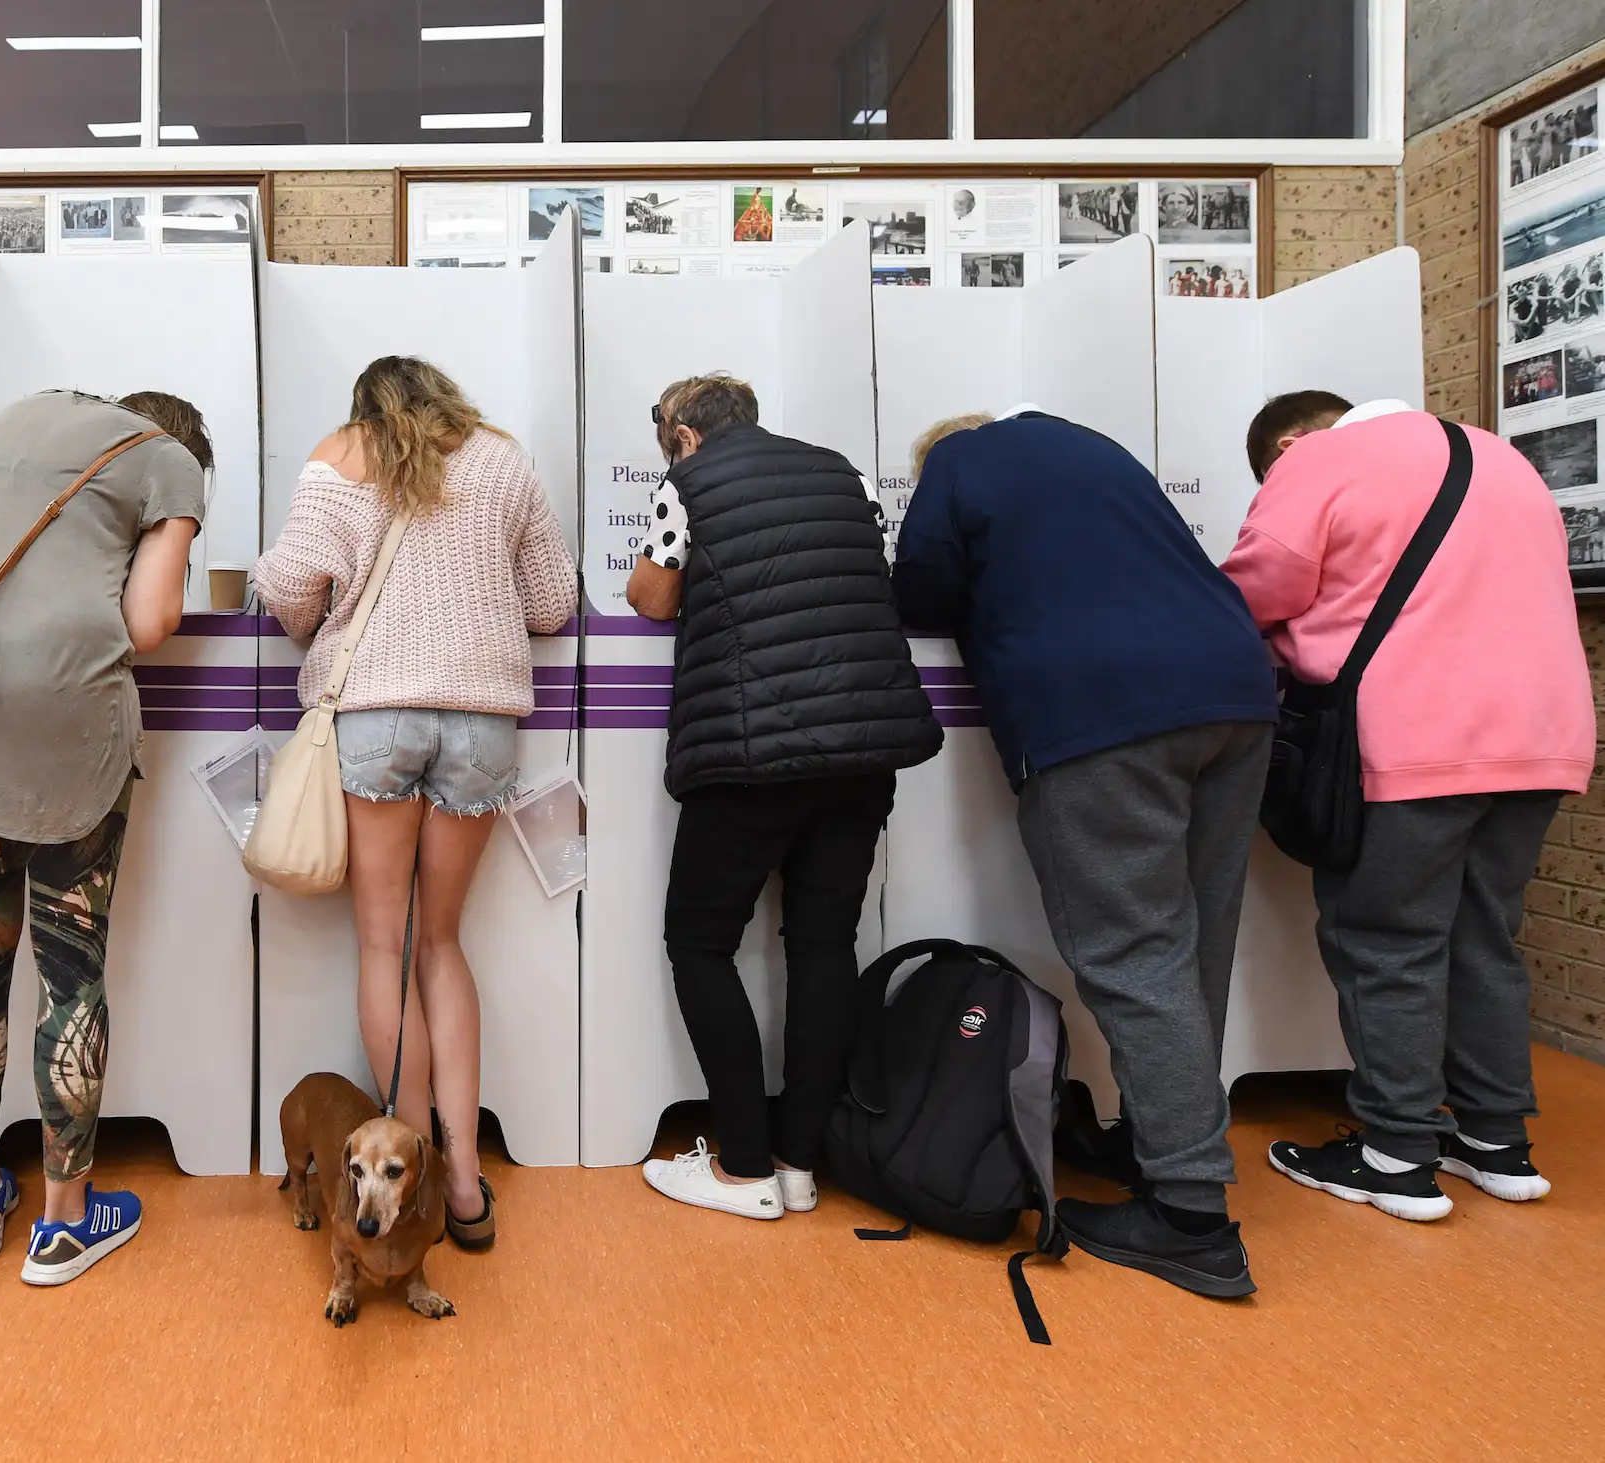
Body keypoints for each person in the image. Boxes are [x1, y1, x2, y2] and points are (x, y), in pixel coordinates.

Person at [893, 406, 1278, 1299]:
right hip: (1234, 691)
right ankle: (1164, 1143)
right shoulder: (1091, 449)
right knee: (1194, 942)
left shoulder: (954, 463)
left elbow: (919, 586)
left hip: (1102, 711)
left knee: (1134, 953)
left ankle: (1189, 1216)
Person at [1228, 393, 1594, 1221]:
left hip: (1418, 736)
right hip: (1543, 737)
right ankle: (1495, 1140)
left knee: (1385, 938)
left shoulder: (1318, 459)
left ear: (1289, 443)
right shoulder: (1501, 458)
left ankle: (1394, 1152)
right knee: (1481, 933)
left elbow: (1256, 587)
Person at [0, 388, 209, 1285]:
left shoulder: (18, 421)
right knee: (71, 968)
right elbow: (151, 622)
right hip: (65, 726)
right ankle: (66, 1222)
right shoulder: (169, 462)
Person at [253, 356, 575, 1251]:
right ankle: (463, 1185)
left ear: (365, 408)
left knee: (381, 945)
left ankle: (400, 1170)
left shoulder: (340, 455)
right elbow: (553, 603)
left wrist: (328, 612)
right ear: (447, 401)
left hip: (374, 720)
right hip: (481, 724)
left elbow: (285, 591)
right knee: (441, 943)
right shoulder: (501, 462)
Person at [624, 375, 941, 1221]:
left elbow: (651, 598)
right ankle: (800, 1161)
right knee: (822, 943)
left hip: (751, 751)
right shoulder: (845, 473)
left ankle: (741, 1165)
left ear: (683, 435)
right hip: (864, 745)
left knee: (698, 942)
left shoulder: (687, 481)